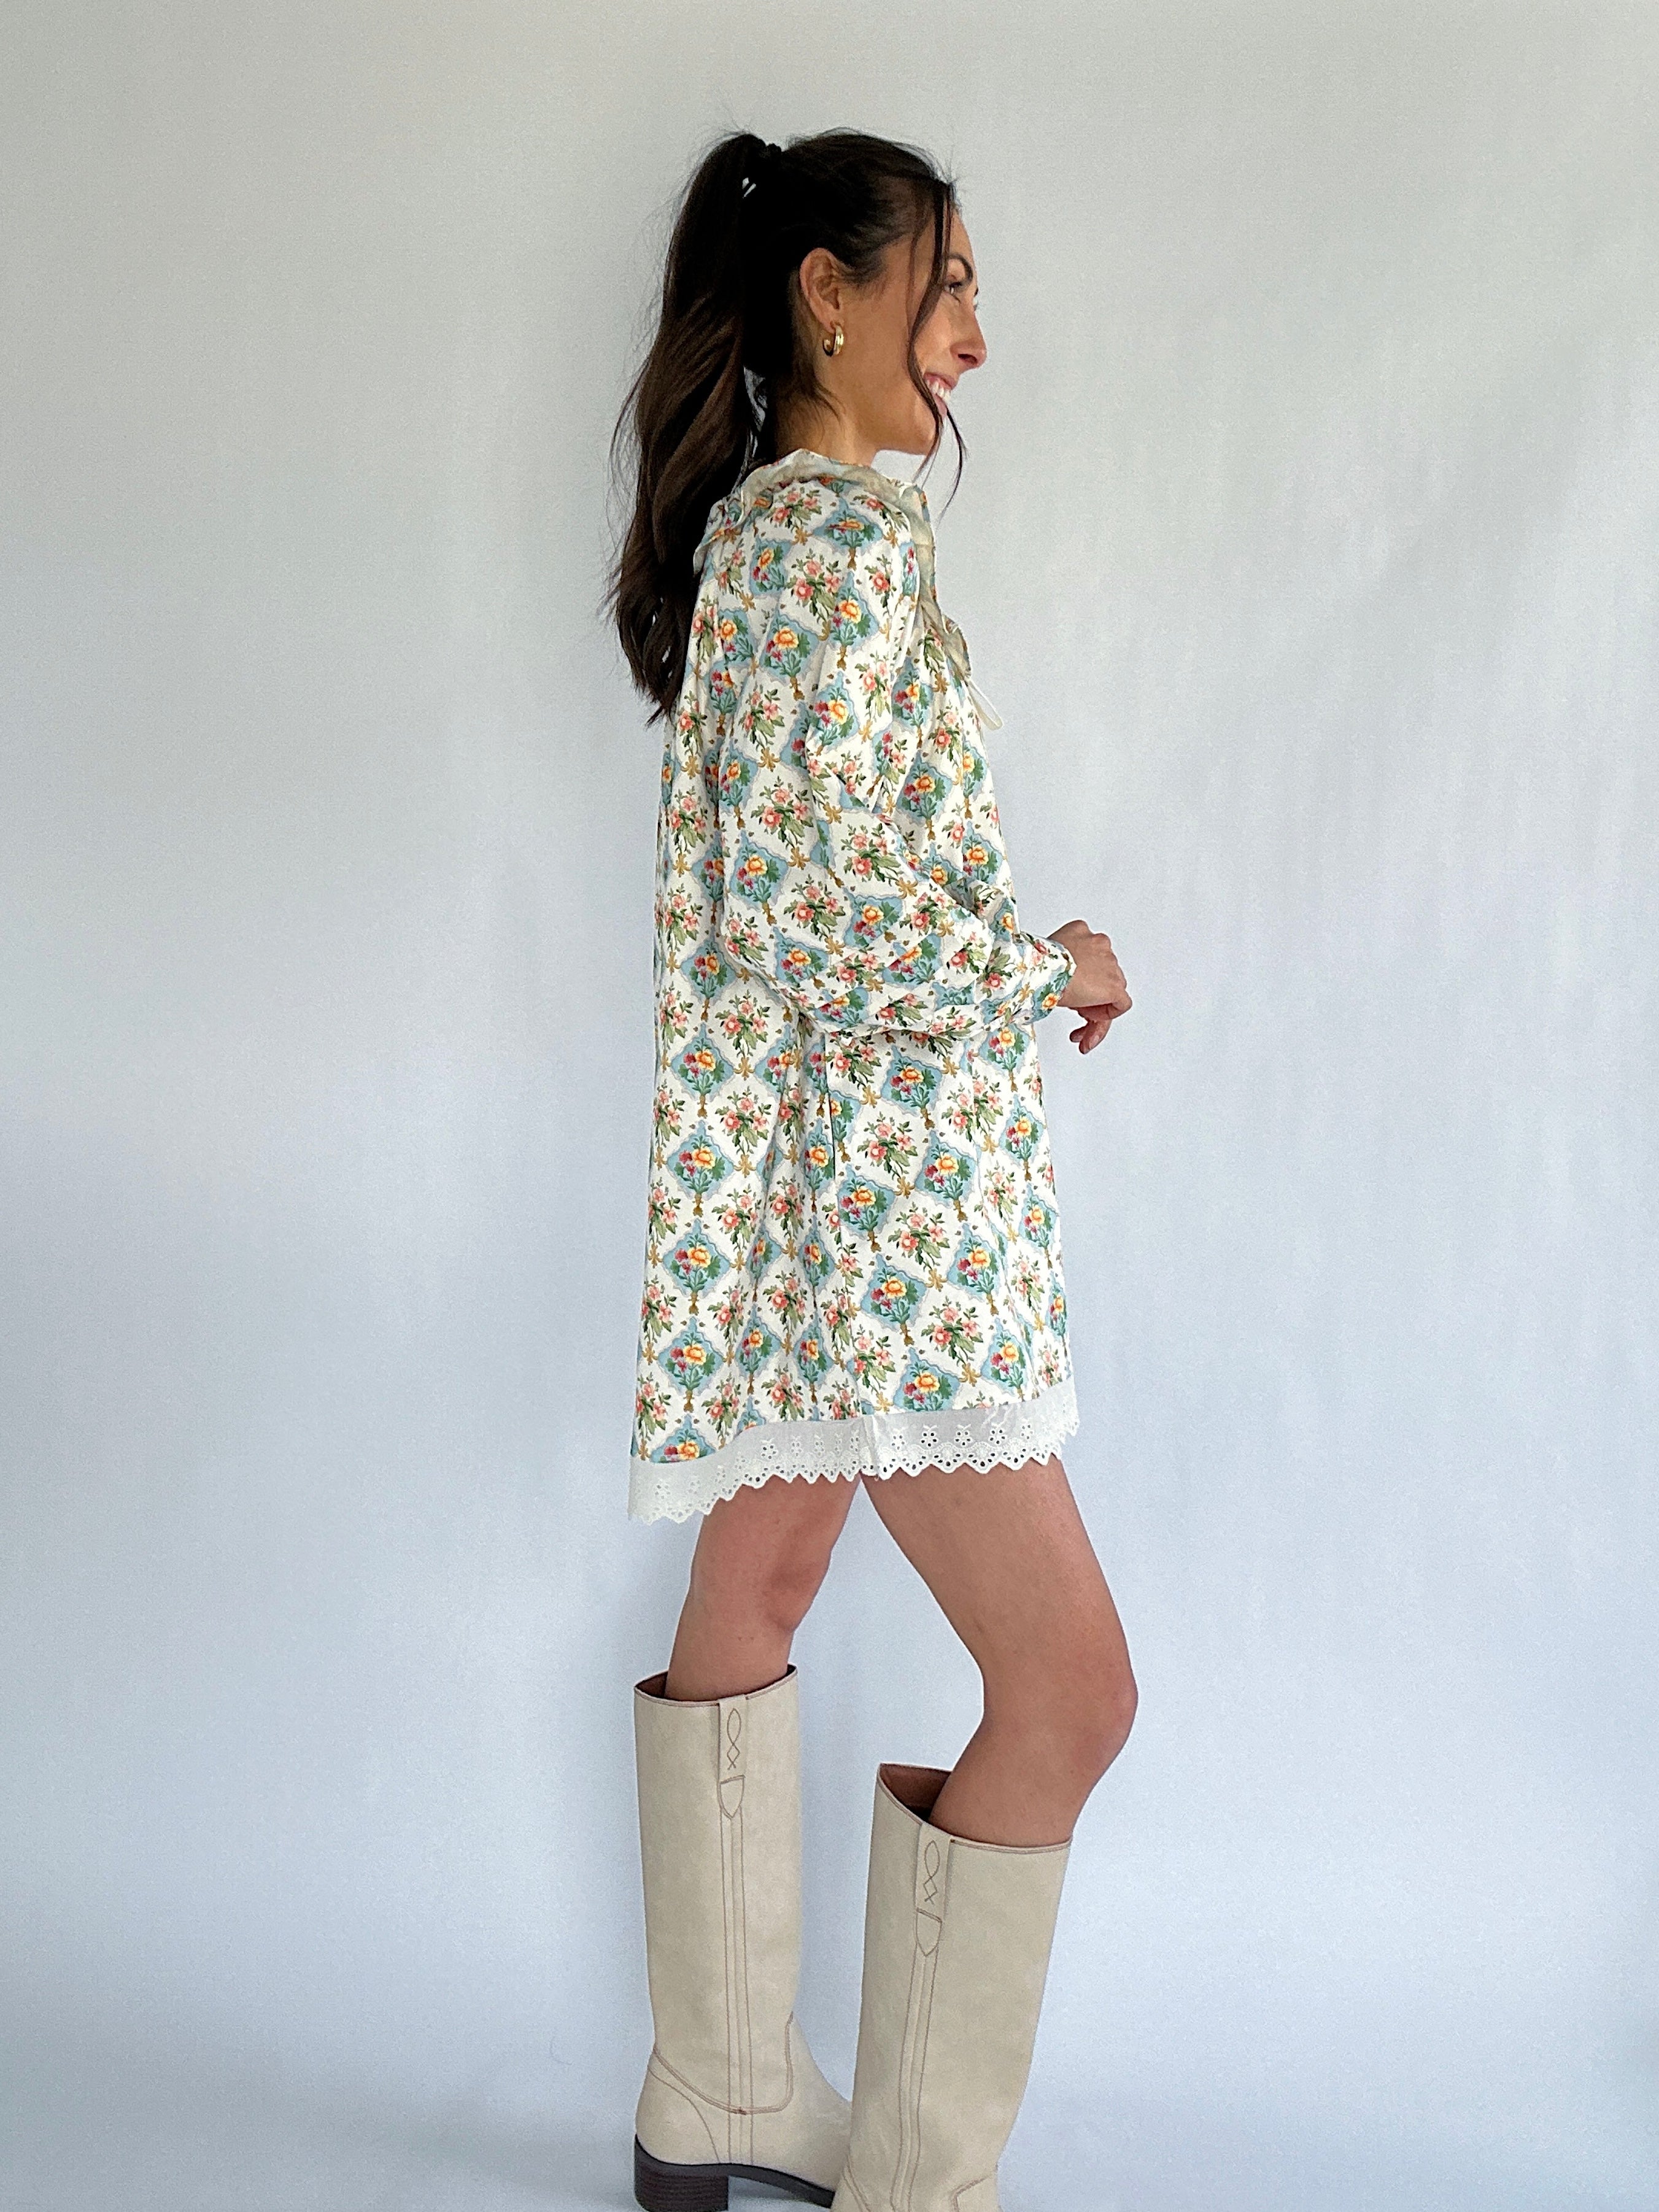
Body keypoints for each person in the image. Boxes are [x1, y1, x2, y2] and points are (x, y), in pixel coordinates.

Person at [606, 126, 1137, 2212]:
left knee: (755, 1582)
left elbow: (795, 904)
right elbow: (824, 917)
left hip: (810, 1210)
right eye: (948, 283)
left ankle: (719, 2089)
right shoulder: (826, 549)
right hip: (889, 1233)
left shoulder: (776, 539)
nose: (976, 334)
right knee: (1073, 1690)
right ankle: (914, 2179)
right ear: (830, 294)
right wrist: (1041, 962)